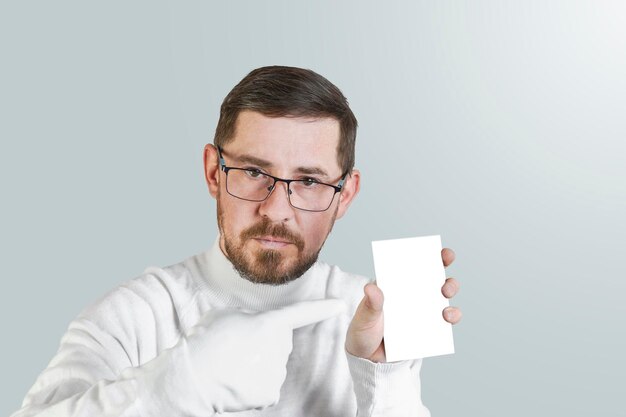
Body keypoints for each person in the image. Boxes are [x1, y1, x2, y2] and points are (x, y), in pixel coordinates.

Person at [11, 66, 462, 417]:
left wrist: (384, 377)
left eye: (308, 180)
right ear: (213, 172)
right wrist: (178, 385)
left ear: (344, 195)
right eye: (252, 172)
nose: (276, 209)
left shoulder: (372, 318)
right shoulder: (130, 317)